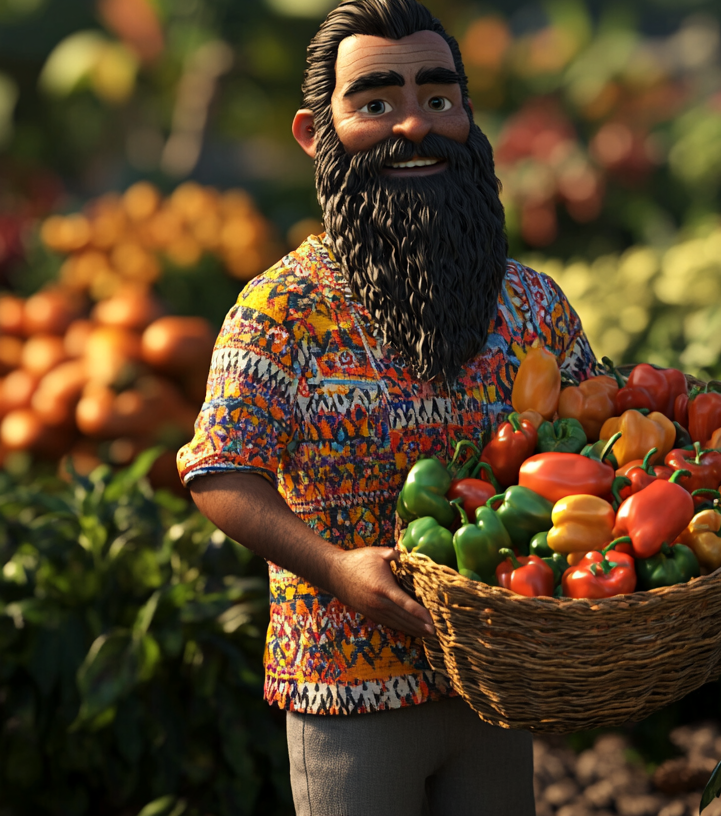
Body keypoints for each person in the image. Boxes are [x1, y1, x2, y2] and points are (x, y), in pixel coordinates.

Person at [177, 1, 598, 812]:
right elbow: (219, 471)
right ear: (315, 133)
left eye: (437, 99)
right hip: (346, 689)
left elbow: (600, 445)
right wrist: (336, 569)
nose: (413, 125)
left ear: (468, 117)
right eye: (375, 103)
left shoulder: (533, 306)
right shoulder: (281, 311)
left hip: (493, 687)